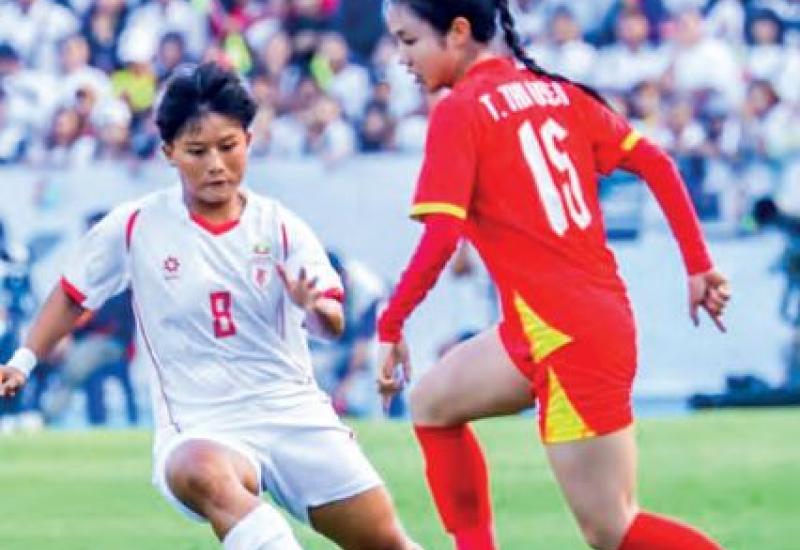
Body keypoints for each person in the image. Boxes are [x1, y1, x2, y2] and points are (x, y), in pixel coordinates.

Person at [0, 62, 418, 550]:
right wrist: (23, 361)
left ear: (248, 141)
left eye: (228, 146)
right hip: (200, 426)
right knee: (203, 473)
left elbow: (332, 322)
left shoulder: (280, 226)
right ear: (169, 152)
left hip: (293, 415)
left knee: (388, 543)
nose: (216, 163)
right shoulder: (136, 225)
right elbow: (73, 294)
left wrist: (313, 308)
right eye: (197, 151)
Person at [376, 2, 731, 550]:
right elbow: (656, 162)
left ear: (459, 33)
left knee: (612, 529)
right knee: (432, 403)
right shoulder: (557, 92)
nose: (402, 58)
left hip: (567, 336)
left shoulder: (459, 110)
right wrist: (698, 264)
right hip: (554, 324)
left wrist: (392, 323)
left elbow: (442, 237)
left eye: (408, 40)